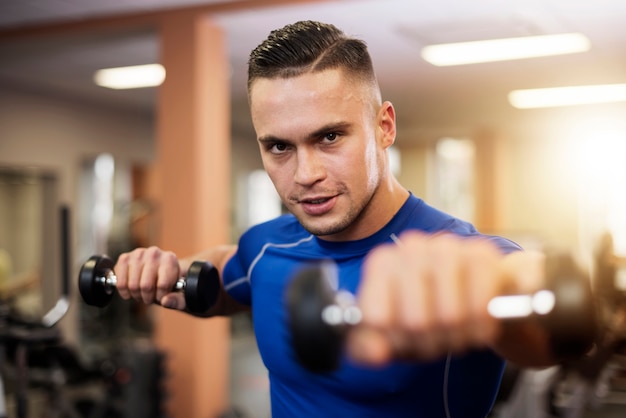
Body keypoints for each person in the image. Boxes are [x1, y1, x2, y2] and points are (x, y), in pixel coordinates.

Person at [113, 21, 566, 417]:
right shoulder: (267, 247)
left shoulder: (458, 258)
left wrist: (501, 287)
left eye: (329, 137)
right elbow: (222, 278)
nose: (306, 175)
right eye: (279, 147)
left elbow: (543, 314)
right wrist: (162, 273)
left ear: (384, 127)